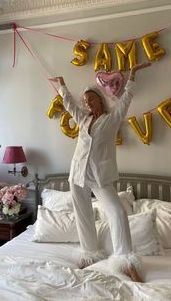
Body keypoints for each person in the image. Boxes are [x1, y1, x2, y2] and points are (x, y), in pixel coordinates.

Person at [50, 61, 151, 282]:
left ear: (99, 99)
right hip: (77, 173)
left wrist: (132, 74)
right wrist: (63, 86)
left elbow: (126, 99)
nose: (87, 103)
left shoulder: (112, 119)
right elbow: (69, 105)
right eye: (85, 101)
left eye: (90, 99)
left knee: (117, 212)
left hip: (99, 176)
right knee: (82, 214)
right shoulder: (83, 119)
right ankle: (89, 254)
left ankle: (125, 261)